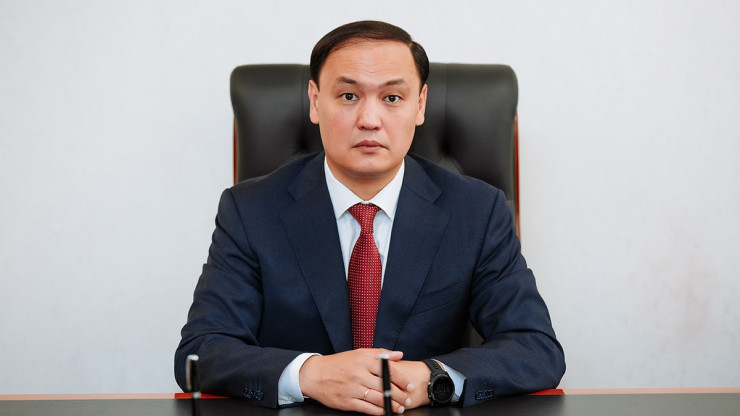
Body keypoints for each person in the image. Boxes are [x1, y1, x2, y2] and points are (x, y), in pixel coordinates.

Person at [175, 20, 565, 415]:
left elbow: (535, 348)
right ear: (314, 101)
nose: (370, 120)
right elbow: (201, 351)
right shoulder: (250, 210)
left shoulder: (476, 211)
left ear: (420, 105)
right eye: (348, 96)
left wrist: (432, 378)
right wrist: (310, 374)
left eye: (392, 98)